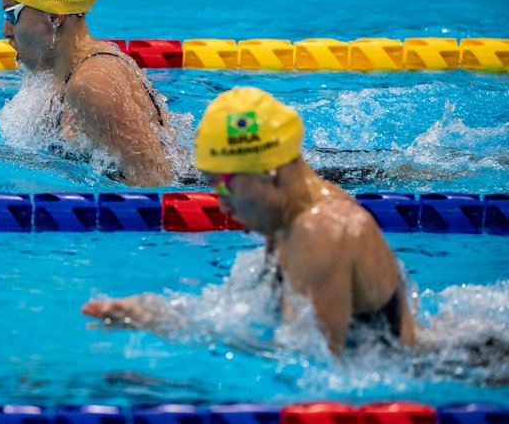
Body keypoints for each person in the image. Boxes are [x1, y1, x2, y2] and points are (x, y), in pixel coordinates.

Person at [82, 87, 417, 355]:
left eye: (225, 187)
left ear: (266, 172)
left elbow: (310, 369)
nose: (223, 206)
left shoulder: (319, 231)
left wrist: (171, 328)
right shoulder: (290, 216)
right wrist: (161, 316)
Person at [0, 0, 173, 187]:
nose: (6, 31)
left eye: (11, 14)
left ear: (54, 16)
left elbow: (156, 183)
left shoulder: (91, 84)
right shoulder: (69, 74)